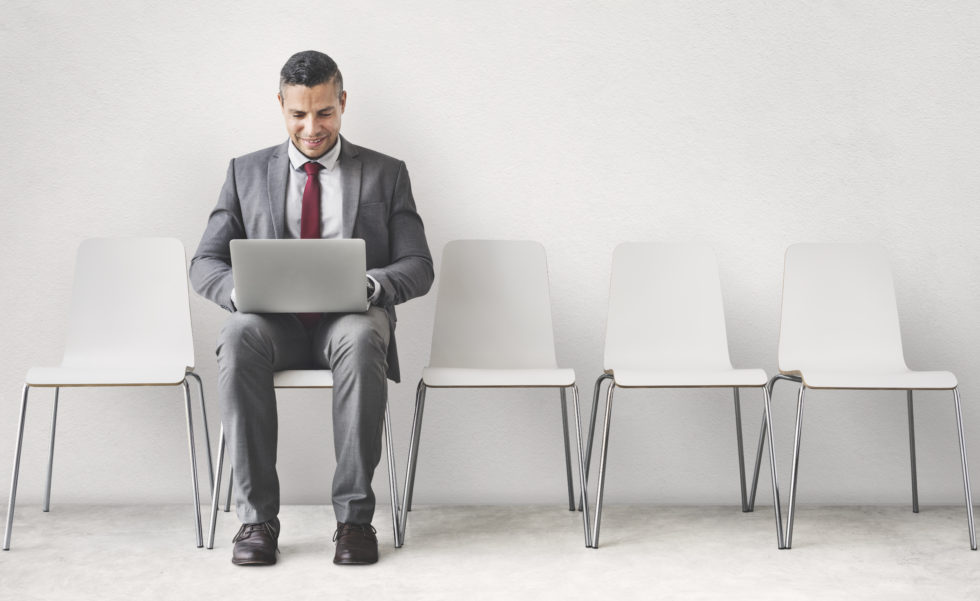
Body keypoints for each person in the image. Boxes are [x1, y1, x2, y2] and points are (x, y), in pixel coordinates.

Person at [190, 50, 433, 566]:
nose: (311, 127)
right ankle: (256, 521)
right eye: (299, 113)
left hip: (347, 323)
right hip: (272, 327)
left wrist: (370, 285)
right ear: (281, 106)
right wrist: (239, 293)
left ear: (342, 103)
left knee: (364, 332)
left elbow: (418, 265)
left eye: (324, 112)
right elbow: (205, 261)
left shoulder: (386, 174)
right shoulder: (245, 172)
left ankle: (354, 521)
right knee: (236, 334)